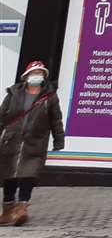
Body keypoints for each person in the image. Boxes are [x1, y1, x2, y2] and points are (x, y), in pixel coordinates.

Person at [0, 60, 65, 226]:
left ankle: (22, 207)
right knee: (10, 174)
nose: (37, 76)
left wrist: (59, 139)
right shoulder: (14, 94)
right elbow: (2, 116)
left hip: (35, 141)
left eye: (40, 73)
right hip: (12, 140)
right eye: (34, 73)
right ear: (26, 76)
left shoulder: (49, 97)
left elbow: (56, 119)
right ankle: (7, 210)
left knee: (29, 173)